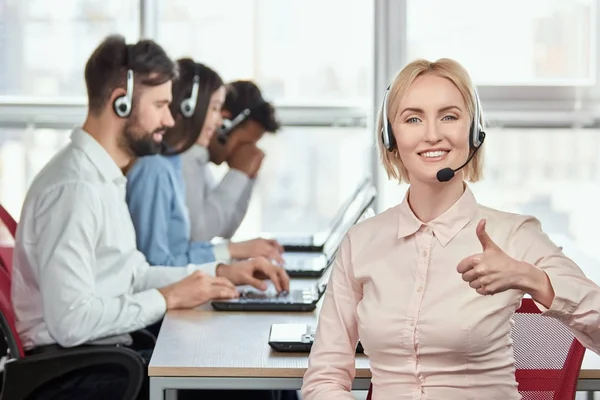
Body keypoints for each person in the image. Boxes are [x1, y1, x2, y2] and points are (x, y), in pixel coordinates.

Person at [301, 58, 600, 399]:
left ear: (474, 133)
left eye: (449, 116)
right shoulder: (361, 243)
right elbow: (324, 377)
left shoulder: (514, 235)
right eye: (413, 118)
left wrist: (533, 279)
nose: (432, 134)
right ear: (390, 137)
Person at [11, 35, 289, 400]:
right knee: (253, 387)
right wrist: (168, 297)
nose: (169, 119)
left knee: (255, 376)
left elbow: (135, 273)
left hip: (106, 356)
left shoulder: (103, 178)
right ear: (121, 103)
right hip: (77, 373)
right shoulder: (75, 189)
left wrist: (217, 273)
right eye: (160, 104)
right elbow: (72, 324)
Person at [125, 59, 284, 267]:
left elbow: (216, 233)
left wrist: (248, 176)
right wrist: (231, 253)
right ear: (191, 109)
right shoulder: (158, 169)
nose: (218, 122)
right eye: (215, 109)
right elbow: (160, 263)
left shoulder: (173, 165)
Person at [181, 80, 281, 242]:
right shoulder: (187, 159)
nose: (247, 152)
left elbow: (225, 228)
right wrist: (238, 173)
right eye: (244, 144)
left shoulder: (202, 167)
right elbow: (199, 235)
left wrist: (247, 177)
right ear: (223, 124)